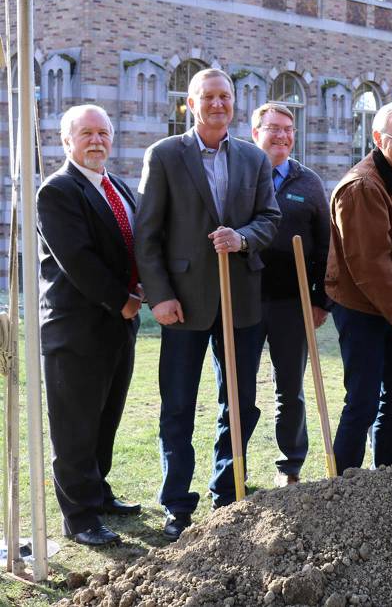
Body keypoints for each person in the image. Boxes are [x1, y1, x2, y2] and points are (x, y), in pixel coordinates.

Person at [135, 68, 281, 540]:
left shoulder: (253, 159)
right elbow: (147, 234)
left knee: (238, 403)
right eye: (209, 97)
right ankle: (177, 505)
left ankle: (228, 494)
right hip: (182, 305)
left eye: (226, 97)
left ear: (235, 103)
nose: (218, 104)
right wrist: (159, 296)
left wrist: (242, 238)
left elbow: (270, 220)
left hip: (240, 302)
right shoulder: (164, 156)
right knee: (177, 405)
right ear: (190, 104)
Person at [36, 105, 143, 546]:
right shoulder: (57, 190)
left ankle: (97, 494)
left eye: (103, 132)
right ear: (67, 141)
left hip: (118, 328)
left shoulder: (116, 186)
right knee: (75, 428)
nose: (97, 140)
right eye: (86, 134)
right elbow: (77, 259)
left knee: (105, 420)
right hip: (76, 329)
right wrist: (123, 301)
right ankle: (79, 518)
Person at [326, 101, 392, 471]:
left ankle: (387, 475)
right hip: (361, 305)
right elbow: (371, 267)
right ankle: (344, 484)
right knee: (364, 400)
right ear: (377, 138)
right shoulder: (361, 188)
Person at [250, 103, 330, 487]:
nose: (282, 135)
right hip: (244, 300)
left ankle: (290, 466)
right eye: (273, 128)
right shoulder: (240, 173)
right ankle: (231, 469)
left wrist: (319, 301)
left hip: (291, 303)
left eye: (288, 129)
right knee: (236, 391)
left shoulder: (309, 182)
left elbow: (325, 247)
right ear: (255, 132)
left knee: (290, 391)